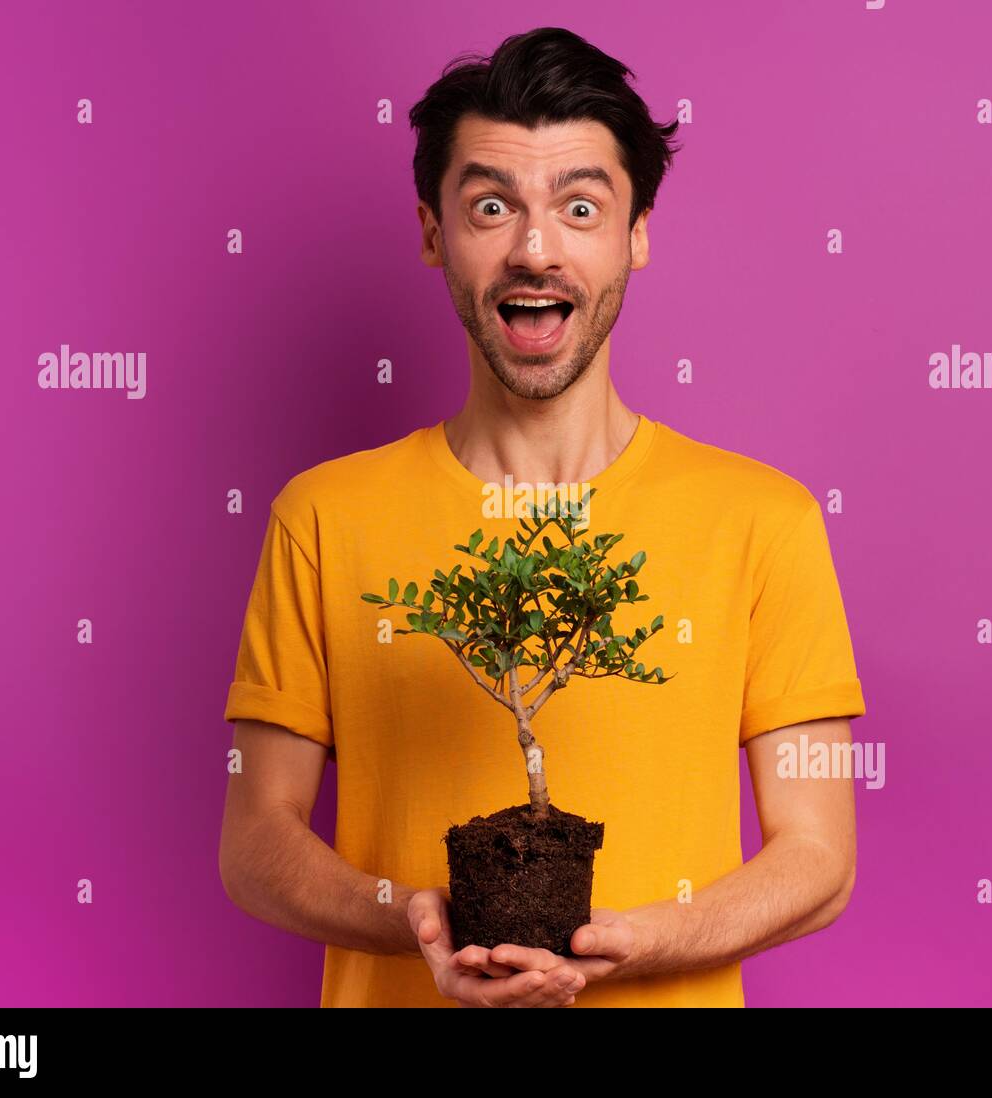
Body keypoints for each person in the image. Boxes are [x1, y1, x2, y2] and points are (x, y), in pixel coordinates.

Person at [219, 26, 866, 1008]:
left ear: (635, 233)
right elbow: (255, 840)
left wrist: (644, 941)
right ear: (434, 232)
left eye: (578, 206)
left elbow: (818, 855)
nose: (533, 249)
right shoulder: (321, 517)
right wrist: (417, 918)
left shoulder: (762, 520)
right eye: (490, 206)